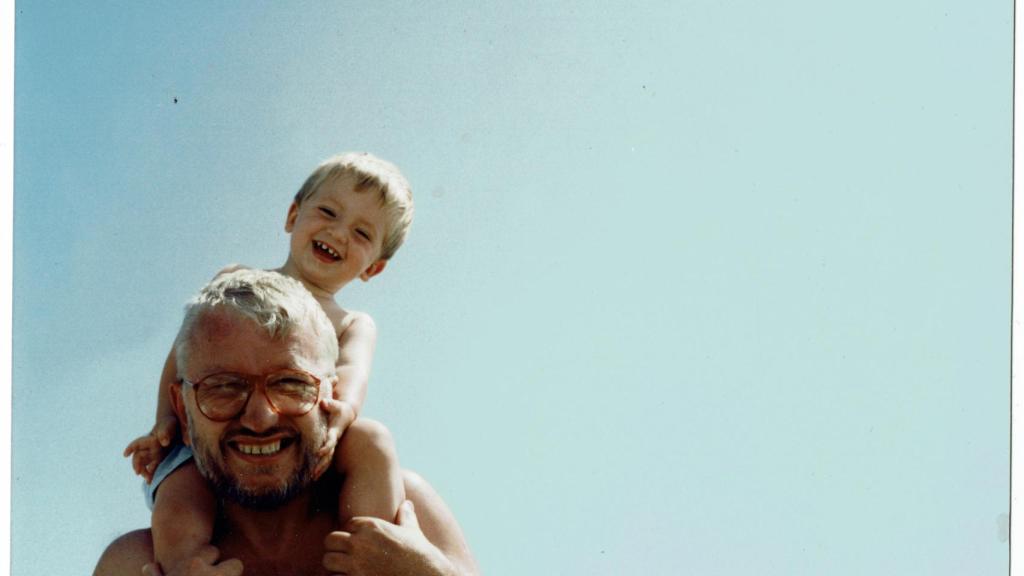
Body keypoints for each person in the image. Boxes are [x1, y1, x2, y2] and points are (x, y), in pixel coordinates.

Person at [123, 153, 415, 572]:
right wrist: (165, 422)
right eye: (328, 211)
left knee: (374, 441)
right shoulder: (235, 281)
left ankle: (369, 553)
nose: (338, 232)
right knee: (179, 488)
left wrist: (341, 415)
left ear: (375, 268)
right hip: (213, 438)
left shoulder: (353, 322)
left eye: (362, 232)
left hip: (310, 440)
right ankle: (187, 565)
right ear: (293, 215)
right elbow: (185, 355)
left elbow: (352, 372)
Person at [96, 269, 479, 576]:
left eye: (291, 384)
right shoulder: (138, 563)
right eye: (223, 387)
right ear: (181, 408)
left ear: (333, 393)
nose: (260, 418)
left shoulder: (406, 517)